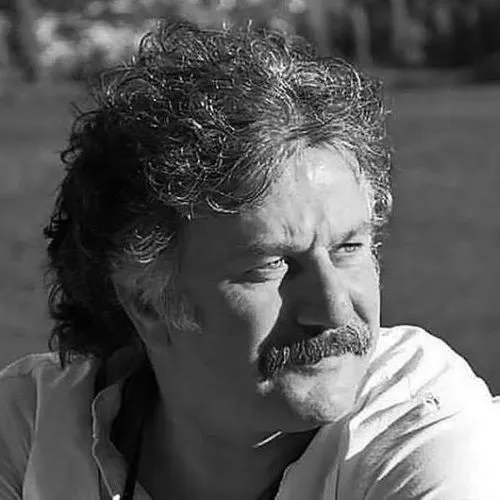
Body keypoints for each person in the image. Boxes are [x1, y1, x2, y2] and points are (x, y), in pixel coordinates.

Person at [0, 19, 498, 500]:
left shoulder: (421, 425)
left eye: (348, 249)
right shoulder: (31, 428)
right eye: (271, 265)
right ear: (147, 302)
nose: (333, 309)